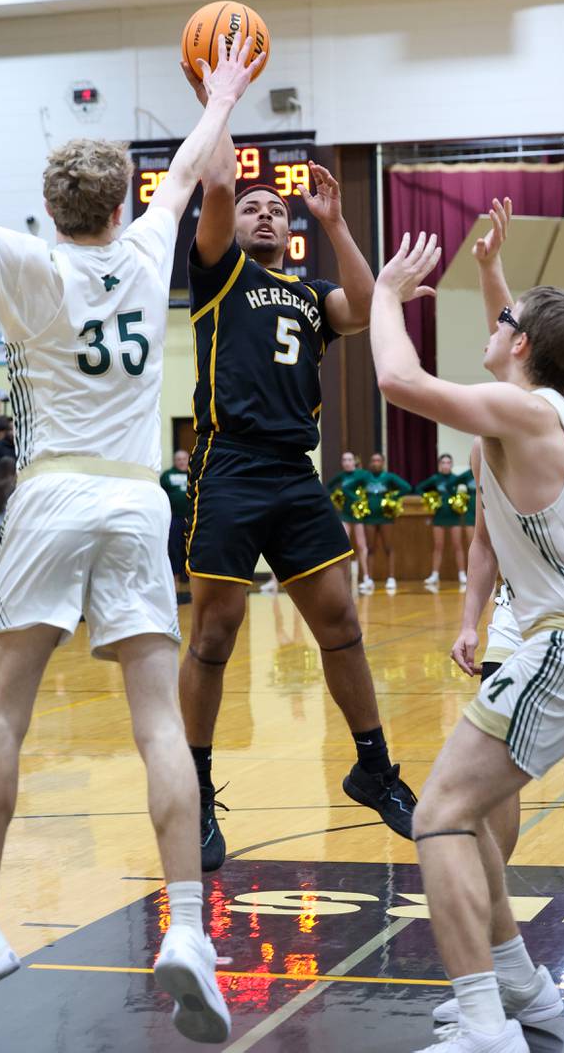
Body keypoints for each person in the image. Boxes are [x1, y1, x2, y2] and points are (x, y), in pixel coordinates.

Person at [0, 32, 261, 1037]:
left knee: (1, 716)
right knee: (158, 720)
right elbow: (203, 159)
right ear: (120, 203)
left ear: (54, 205)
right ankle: (189, 929)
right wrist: (223, 91)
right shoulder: (151, 240)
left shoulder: (24, 260)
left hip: (56, 492)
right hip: (136, 498)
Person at [370, 202, 564, 1053]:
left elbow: (399, 384)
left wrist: (386, 296)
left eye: (503, 321)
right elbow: (523, 340)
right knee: (468, 811)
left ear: (521, 345)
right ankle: (520, 984)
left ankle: (487, 1021)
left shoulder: (525, 413)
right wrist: (493, 273)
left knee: (438, 816)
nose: (493, 325)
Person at [179, 60, 417, 876]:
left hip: (292, 470)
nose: (265, 214)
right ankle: (197, 790)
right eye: (254, 206)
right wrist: (223, 104)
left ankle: (373, 765)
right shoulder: (216, 276)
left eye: (276, 210)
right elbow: (215, 186)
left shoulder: (313, 294)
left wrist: (337, 220)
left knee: (342, 625)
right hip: (229, 466)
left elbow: (366, 303)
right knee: (214, 633)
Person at [415, 453, 467, 588]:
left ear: (451, 465)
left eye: (448, 463)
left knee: (458, 545)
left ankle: (462, 574)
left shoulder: (457, 479)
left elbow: (464, 494)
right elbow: (419, 488)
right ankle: (434, 574)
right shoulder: (435, 479)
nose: (445, 465)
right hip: (439, 516)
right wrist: (429, 498)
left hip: (454, 515)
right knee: (438, 546)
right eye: (443, 463)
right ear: (439, 465)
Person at [362, 452, 411, 592]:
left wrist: (393, 497)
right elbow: (348, 487)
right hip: (369, 517)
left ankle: (391, 578)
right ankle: (368, 578)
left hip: (386, 518)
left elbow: (406, 487)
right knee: (370, 548)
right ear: (370, 463)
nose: (376, 463)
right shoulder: (365, 477)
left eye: (378, 460)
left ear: (383, 462)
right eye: (373, 460)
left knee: (388, 547)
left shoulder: (388, 477)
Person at [326, 451, 370, 593]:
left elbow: (369, 486)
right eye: (344, 460)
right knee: (344, 545)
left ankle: (366, 577)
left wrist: (355, 497)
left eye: (349, 460)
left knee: (361, 545)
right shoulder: (341, 476)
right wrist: (337, 496)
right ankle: (345, 578)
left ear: (354, 462)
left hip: (358, 515)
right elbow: (328, 487)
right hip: (345, 515)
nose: (346, 462)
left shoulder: (362, 474)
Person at [160, 449, 190, 600]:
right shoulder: (167, 476)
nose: (182, 461)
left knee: (193, 548)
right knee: (174, 548)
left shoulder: (195, 472)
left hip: (193, 518)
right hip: (175, 518)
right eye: (178, 459)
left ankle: (192, 580)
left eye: (184, 459)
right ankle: (175, 580)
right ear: (174, 461)